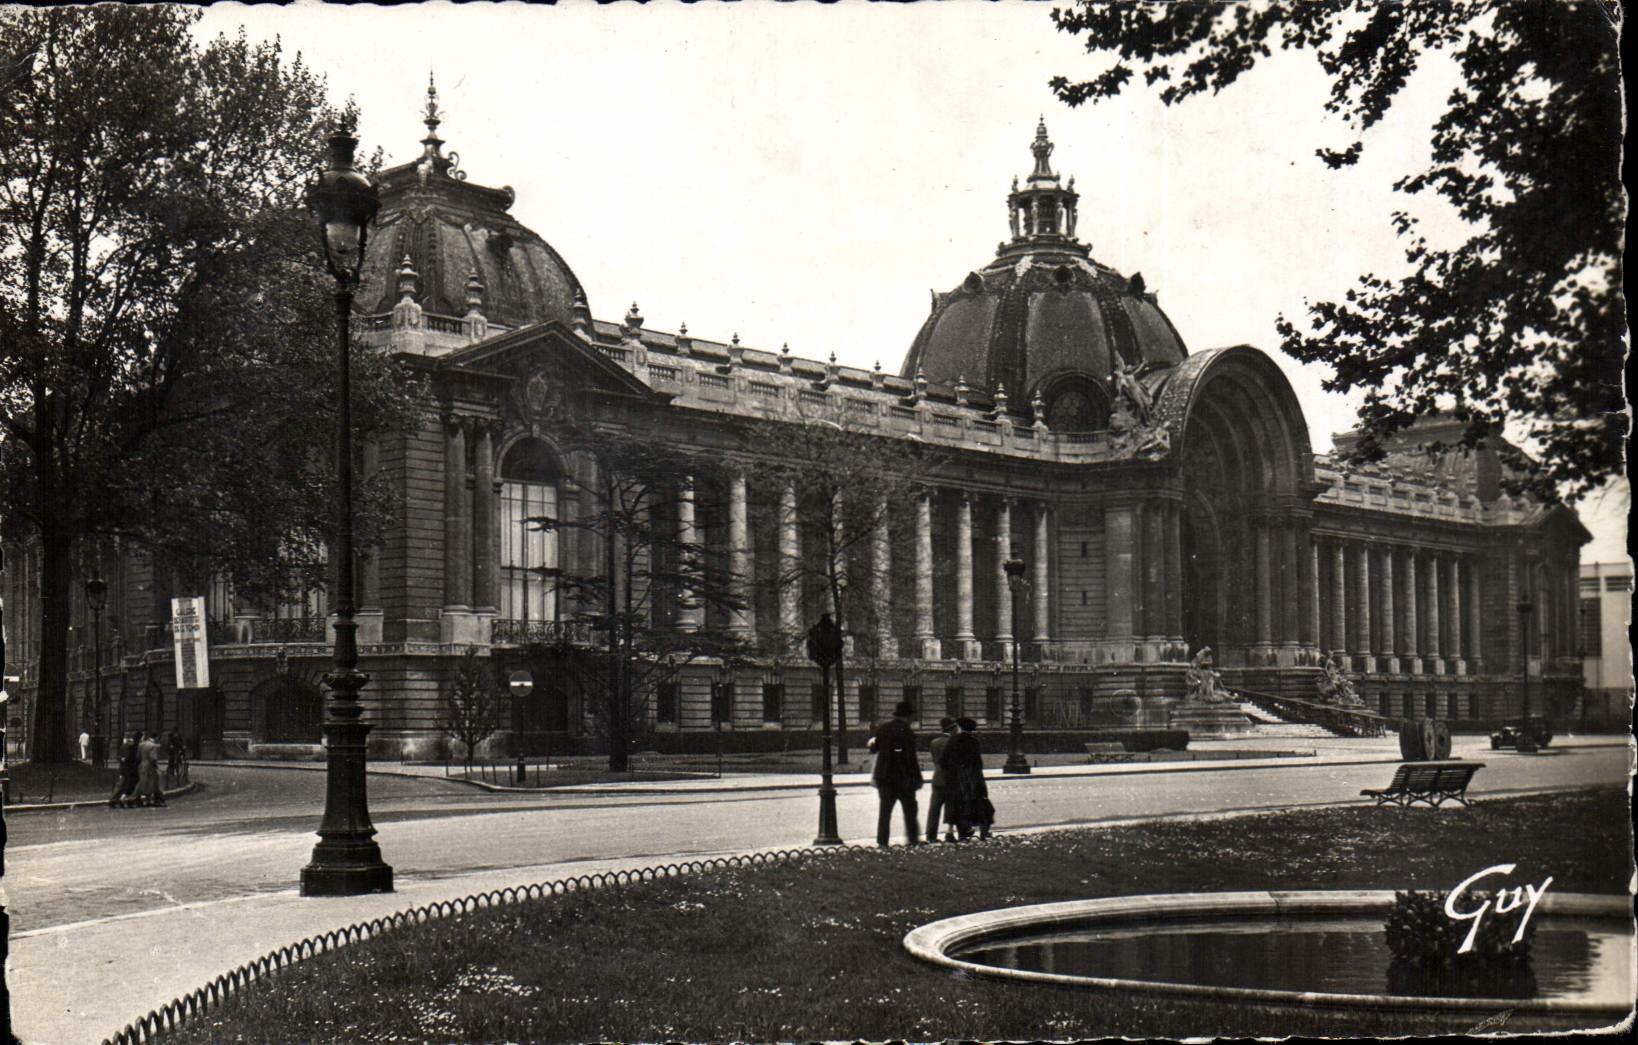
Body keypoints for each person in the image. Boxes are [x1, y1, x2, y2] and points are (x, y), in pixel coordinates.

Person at [867, 699, 922, 848]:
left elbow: (875, 748)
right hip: (904, 779)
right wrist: (917, 778)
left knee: (885, 812)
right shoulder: (908, 732)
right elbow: (911, 758)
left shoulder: (883, 728)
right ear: (907, 716)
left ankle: (882, 841)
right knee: (910, 811)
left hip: (885, 777)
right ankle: (913, 839)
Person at [941, 717, 993, 840]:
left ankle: (954, 832)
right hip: (972, 778)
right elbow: (978, 764)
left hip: (955, 778)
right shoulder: (974, 742)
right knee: (976, 803)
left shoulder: (953, 740)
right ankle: (981, 830)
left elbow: (943, 761)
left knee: (954, 804)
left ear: (960, 727)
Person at [925, 717, 958, 843]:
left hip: (938, 777)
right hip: (951, 779)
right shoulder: (954, 742)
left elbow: (935, 760)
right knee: (951, 807)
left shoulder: (934, 742)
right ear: (952, 728)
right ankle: (949, 832)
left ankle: (930, 834)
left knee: (934, 808)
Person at [132, 731, 165, 807]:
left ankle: (138, 799)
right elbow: (153, 758)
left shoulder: (141, 744)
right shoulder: (153, 746)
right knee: (151, 783)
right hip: (149, 766)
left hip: (142, 764)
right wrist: (156, 767)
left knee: (142, 782)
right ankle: (149, 800)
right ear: (156, 737)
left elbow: (138, 756)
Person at [109, 731, 140, 808]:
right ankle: (125, 799)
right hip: (130, 768)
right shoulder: (132, 746)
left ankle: (113, 799)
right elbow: (132, 758)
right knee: (129, 784)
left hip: (123, 767)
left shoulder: (123, 746)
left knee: (121, 784)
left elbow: (120, 757)